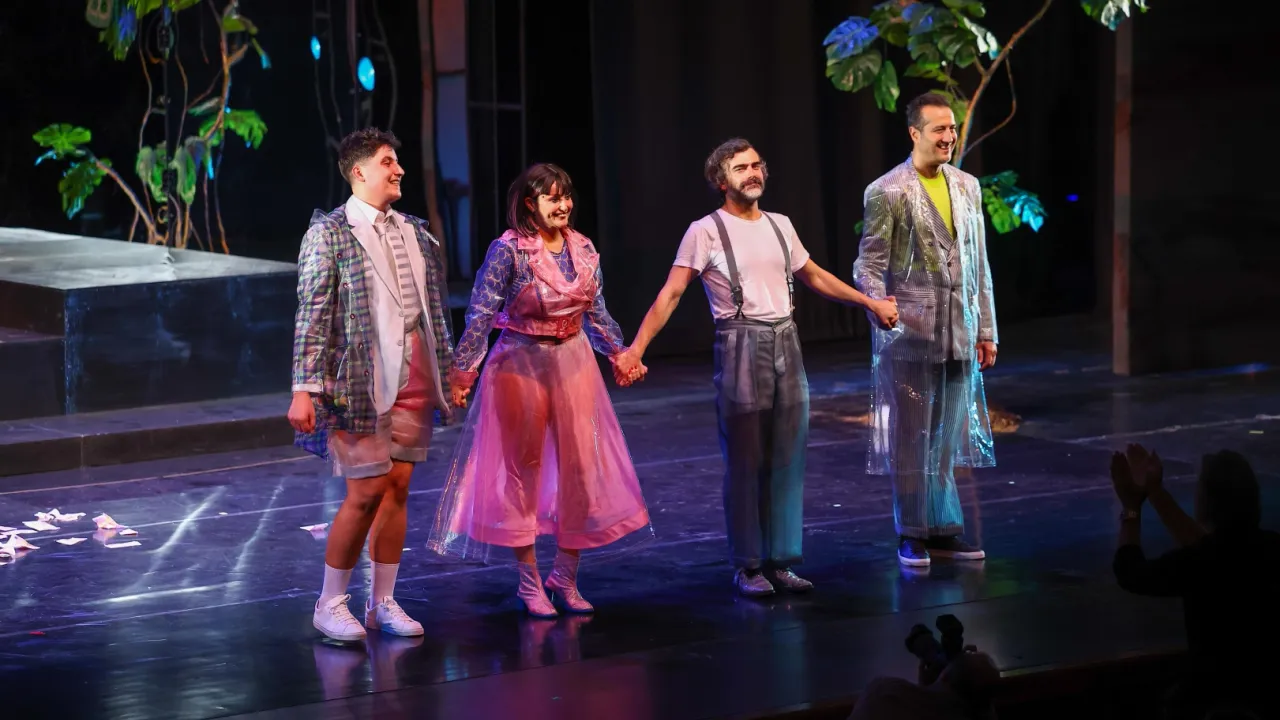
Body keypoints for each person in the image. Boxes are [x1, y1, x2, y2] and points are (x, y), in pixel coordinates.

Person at [614, 138, 899, 597]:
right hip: (740, 342)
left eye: (755, 165)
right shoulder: (705, 231)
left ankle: (781, 560)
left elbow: (815, 276)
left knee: (788, 454)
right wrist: (636, 349)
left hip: (787, 339)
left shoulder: (780, 224)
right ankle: (748, 565)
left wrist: (870, 302)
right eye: (740, 168)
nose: (752, 173)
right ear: (720, 180)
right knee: (746, 458)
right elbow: (672, 293)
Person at [427, 163, 652, 618]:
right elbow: (480, 316)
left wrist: (620, 354)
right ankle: (529, 582)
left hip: (573, 362)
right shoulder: (509, 251)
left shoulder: (582, 248)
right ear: (531, 204)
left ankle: (564, 577)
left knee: (581, 467)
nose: (563, 205)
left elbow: (596, 311)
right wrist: (462, 374)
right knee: (521, 471)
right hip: (520, 363)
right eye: (552, 197)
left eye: (566, 196)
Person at [287, 128, 456, 642]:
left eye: (397, 160)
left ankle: (383, 601)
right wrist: (303, 388)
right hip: (358, 379)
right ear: (359, 171)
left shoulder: (414, 231)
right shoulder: (331, 233)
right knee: (364, 491)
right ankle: (329, 603)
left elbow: (433, 312)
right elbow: (312, 313)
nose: (398, 169)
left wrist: (448, 371)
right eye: (388, 161)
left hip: (414, 372)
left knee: (397, 487)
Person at [852, 92, 998, 568]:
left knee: (946, 437)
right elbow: (869, 264)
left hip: (960, 330)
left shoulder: (967, 186)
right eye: (939, 129)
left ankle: (943, 528)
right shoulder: (888, 191)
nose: (949, 136)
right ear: (915, 133)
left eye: (952, 128)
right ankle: (912, 531)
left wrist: (986, 329)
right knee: (912, 437)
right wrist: (878, 305)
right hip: (911, 334)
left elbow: (978, 263)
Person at [1110, 443, 1279, 720]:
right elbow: (1216, 552)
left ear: (1207, 502)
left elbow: (1130, 572)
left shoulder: (1201, 562)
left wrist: (1131, 507)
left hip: (1215, 703)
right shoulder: (1270, 549)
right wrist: (1155, 492)